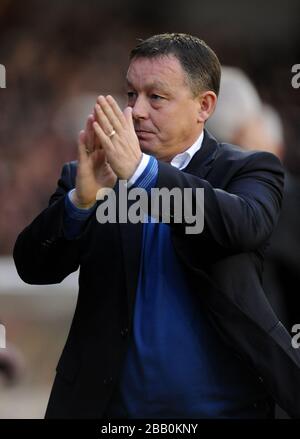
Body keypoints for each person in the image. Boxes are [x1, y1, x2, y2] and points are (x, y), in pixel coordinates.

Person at [13, 33, 300, 419]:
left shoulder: (249, 168)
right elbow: (34, 268)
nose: (137, 111)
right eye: (131, 95)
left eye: (157, 97)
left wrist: (144, 174)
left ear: (204, 106)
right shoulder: (93, 174)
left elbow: (243, 224)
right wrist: (79, 203)